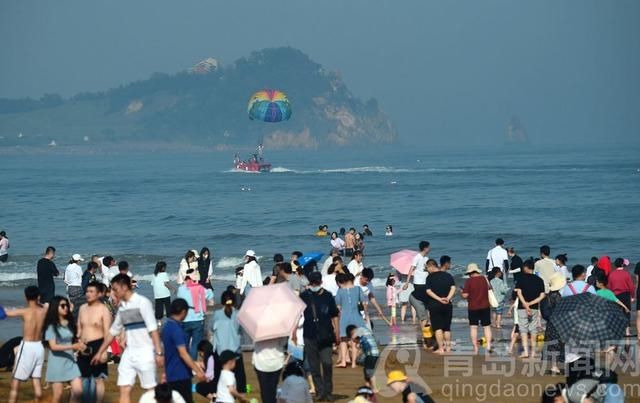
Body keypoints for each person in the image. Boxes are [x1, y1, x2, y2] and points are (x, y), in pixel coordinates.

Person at [91, 274, 163, 403]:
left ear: (124, 287)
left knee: (151, 391)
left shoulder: (142, 303)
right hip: (129, 353)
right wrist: (100, 352)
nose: (113, 292)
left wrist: (158, 353)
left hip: (145, 352)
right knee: (123, 388)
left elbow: (153, 330)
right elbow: (112, 332)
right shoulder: (122, 307)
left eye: (115, 289)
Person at [299, 271, 339, 402]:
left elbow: (334, 315)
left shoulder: (328, 296)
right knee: (314, 366)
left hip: (326, 334)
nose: (315, 285)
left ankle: (328, 391)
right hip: (309, 335)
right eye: (313, 283)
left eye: (316, 282)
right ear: (309, 283)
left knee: (327, 363)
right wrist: (293, 332)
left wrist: (337, 333)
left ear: (321, 282)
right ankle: (320, 391)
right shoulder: (304, 296)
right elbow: (296, 313)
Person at [6, 286, 48, 403]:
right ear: (38, 296)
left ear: (25, 297)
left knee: (15, 383)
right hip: (39, 347)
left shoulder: (24, 311)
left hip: (27, 346)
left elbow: (4, 313)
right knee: (36, 380)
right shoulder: (43, 311)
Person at [161, 298, 206, 403]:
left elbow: (172, 353)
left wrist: (196, 363)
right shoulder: (176, 329)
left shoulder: (167, 326)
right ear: (183, 312)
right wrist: (198, 371)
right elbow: (183, 353)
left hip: (171, 373)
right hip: (180, 375)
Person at [77, 281, 113, 403]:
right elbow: (79, 329)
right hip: (83, 346)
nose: (88, 294)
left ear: (99, 294)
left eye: (91, 292)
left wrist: (104, 351)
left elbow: (108, 333)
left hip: (98, 345)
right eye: (87, 291)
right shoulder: (82, 308)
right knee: (84, 378)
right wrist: (77, 345)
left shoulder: (104, 310)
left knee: (98, 379)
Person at [43, 296, 84, 403]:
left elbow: (73, 340)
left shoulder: (69, 324)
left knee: (78, 391)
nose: (65, 307)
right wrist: (72, 347)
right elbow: (53, 347)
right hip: (56, 363)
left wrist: (79, 346)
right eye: (62, 306)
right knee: (58, 396)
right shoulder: (51, 327)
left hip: (70, 362)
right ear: (55, 308)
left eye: (67, 305)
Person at [212, 290, 247, 394]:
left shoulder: (217, 314)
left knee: (217, 377)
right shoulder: (238, 315)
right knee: (240, 377)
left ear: (222, 301)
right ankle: (241, 396)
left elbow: (211, 328)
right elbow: (241, 330)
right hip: (235, 350)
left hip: (220, 351)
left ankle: (216, 395)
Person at [176, 269, 214, 359]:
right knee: (195, 345)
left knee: (185, 343)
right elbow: (211, 297)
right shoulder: (200, 288)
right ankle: (193, 362)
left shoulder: (181, 289)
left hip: (184, 319)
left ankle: (185, 362)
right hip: (198, 319)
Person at [514, 260, 546, 359]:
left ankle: (526, 352)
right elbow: (542, 295)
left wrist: (525, 304)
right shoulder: (539, 280)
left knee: (523, 330)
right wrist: (530, 304)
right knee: (533, 330)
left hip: (522, 307)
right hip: (534, 308)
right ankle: (533, 353)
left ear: (526, 267)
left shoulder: (520, 278)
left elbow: (519, 293)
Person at [335, 273, 368, 368]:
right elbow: (364, 303)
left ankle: (344, 362)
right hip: (356, 316)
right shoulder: (358, 289)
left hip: (344, 317)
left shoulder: (340, 291)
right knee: (355, 341)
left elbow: (338, 307)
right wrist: (366, 315)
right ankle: (353, 363)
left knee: (343, 340)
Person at [461, 263, 493, 354]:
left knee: (474, 327)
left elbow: (465, 295)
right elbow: (490, 290)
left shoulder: (469, 281)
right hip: (485, 306)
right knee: (486, 327)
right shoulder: (485, 279)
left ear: (470, 272)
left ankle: (475, 348)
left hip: (473, 307)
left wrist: (462, 292)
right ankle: (489, 346)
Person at [425, 262, 456, 354]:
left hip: (435, 305)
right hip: (447, 304)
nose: (427, 270)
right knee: (447, 328)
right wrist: (448, 298)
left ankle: (441, 349)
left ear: (431, 266)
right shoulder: (448, 275)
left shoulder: (429, 277)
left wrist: (439, 299)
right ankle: (448, 348)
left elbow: (428, 291)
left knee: (437, 328)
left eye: (427, 268)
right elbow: (453, 288)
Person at [541, 273, 567, 375]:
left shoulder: (546, 297)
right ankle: (555, 366)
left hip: (550, 324)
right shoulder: (558, 297)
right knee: (558, 344)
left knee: (552, 344)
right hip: (559, 324)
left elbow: (544, 313)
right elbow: (562, 310)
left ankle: (553, 366)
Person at [404, 241, 431, 328]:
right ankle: (423, 323)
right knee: (421, 303)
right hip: (418, 283)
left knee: (427, 304)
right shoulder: (417, 257)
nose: (430, 249)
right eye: (429, 247)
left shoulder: (427, 258)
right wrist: (407, 283)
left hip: (425, 283)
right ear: (425, 248)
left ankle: (426, 322)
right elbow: (411, 269)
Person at [252, 336, 286, 403]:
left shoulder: (257, 330)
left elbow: (254, 344)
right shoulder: (280, 330)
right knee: (273, 389)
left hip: (261, 362)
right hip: (276, 362)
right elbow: (283, 343)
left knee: (264, 389)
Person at [346, 325, 379, 392]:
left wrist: (353, 340)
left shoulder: (360, 329)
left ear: (352, 331)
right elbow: (361, 343)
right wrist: (358, 343)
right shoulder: (363, 333)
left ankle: (375, 388)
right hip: (371, 354)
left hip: (372, 354)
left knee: (370, 371)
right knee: (366, 370)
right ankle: (368, 385)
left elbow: (354, 337)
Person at [608, 258, 634, 335]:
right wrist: (632, 296)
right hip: (625, 295)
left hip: (615, 296)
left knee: (616, 314)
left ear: (615, 265)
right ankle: (627, 332)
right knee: (627, 313)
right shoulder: (626, 273)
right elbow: (631, 287)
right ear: (623, 264)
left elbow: (610, 287)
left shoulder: (612, 274)